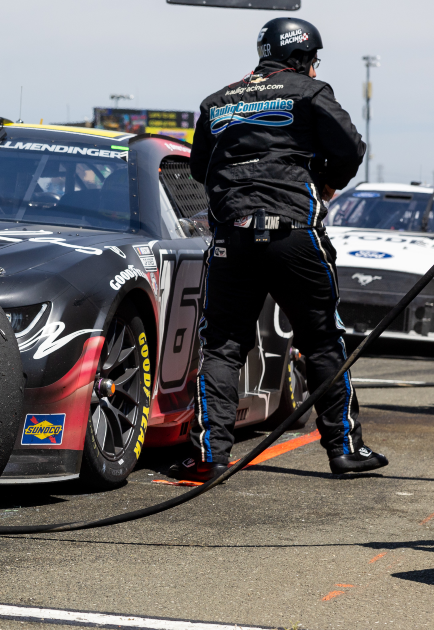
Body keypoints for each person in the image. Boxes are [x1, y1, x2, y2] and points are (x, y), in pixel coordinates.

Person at [170, 17, 386, 481]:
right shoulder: (310, 92)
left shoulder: (217, 100)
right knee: (324, 341)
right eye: (313, 60)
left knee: (223, 347)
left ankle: (209, 458)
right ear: (302, 57)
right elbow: (351, 147)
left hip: (233, 238)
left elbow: (200, 169)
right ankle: (345, 449)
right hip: (293, 234)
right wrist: (327, 180)